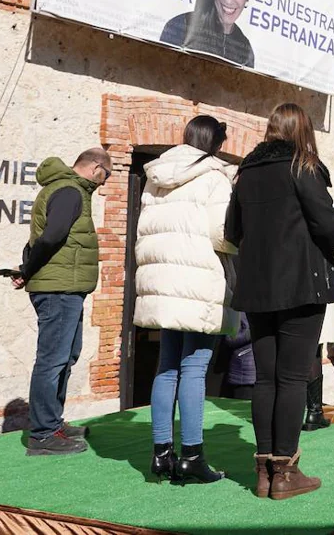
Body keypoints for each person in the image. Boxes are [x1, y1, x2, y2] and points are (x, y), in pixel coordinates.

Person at [225, 102, 334, 500]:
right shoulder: (303, 165)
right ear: (302, 130)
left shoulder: (245, 172)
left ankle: (263, 472)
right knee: (293, 378)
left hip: (258, 286)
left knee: (266, 378)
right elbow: (329, 227)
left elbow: (232, 230)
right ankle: (286, 473)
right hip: (300, 283)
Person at [133, 115, 237, 483]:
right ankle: (192, 455)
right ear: (215, 143)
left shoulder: (155, 177)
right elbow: (222, 235)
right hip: (198, 278)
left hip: (162, 281)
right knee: (194, 367)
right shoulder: (213, 177)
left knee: (167, 365)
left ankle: (162, 454)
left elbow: (145, 229)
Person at [15, 148, 111, 456]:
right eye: (106, 176)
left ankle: (53, 423)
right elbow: (53, 236)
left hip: (65, 289)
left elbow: (41, 237)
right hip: (58, 291)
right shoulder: (70, 191)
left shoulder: (66, 190)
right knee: (52, 360)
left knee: (66, 356)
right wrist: (29, 269)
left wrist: (25, 266)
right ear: (96, 168)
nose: (105, 183)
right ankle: (43, 434)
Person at [223, 313, 255, 400]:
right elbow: (230, 338)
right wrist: (255, 330)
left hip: (267, 375)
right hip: (246, 374)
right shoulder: (239, 311)